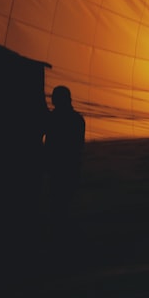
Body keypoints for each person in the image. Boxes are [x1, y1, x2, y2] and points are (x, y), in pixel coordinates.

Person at [44, 85, 86, 237]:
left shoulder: (54, 119)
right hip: (71, 168)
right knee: (66, 205)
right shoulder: (77, 119)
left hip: (60, 169)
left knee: (59, 205)